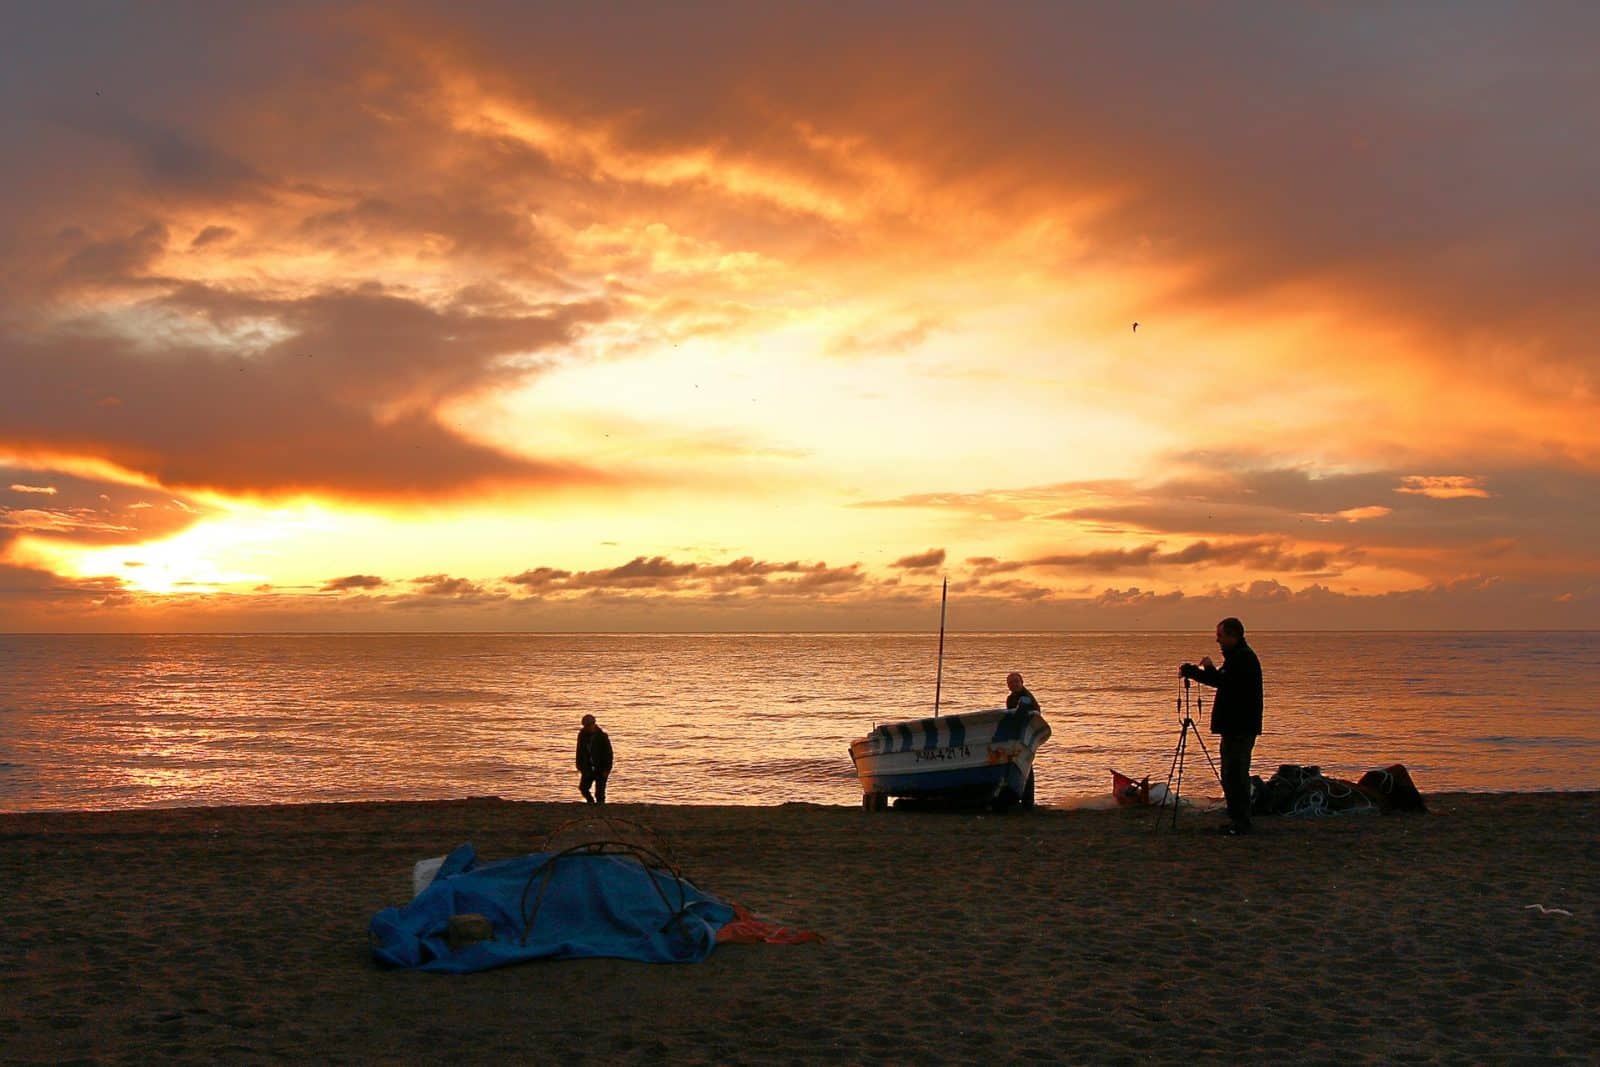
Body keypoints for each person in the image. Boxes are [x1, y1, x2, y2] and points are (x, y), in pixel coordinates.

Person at [1179, 617, 1263, 835]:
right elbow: (1222, 681)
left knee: (1235, 774)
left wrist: (1204, 669)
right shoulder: (1238, 657)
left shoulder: (1243, 658)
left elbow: (1224, 682)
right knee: (1231, 773)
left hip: (1240, 727)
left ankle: (1241, 822)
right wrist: (1201, 672)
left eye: (1220, 636)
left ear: (1232, 635)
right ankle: (1237, 819)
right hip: (1237, 726)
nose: (1218, 641)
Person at [576, 714, 614, 805]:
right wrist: (579, 765)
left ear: (594, 724)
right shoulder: (582, 735)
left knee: (600, 793)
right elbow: (579, 751)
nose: (587, 728)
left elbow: (609, 754)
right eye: (585, 726)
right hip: (587, 767)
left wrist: (607, 769)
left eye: (589, 725)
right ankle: (590, 802)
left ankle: (600, 809)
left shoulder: (602, 736)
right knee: (583, 788)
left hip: (601, 768)